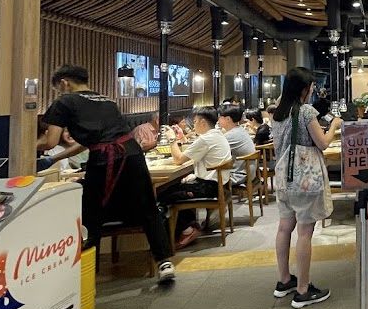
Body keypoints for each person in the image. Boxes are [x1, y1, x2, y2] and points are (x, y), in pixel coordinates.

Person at [39, 65, 176, 283]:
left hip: (104, 160)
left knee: (91, 213)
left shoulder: (64, 102)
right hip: (132, 154)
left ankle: (85, 273)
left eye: (58, 88)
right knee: (148, 207)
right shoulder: (108, 101)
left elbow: (50, 141)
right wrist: (55, 159)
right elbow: (90, 142)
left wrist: (29, 147)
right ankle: (164, 263)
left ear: (64, 83)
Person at [270, 67, 342, 308]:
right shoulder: (306, 111)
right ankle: (302, 289)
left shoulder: (278, 111)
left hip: (282, 178)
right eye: (311, 86)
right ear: (304, 89)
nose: (313, 90)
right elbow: (322, 143)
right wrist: (335, 125)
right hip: (304, 179)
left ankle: (284, 281)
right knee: (304, 233)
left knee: (284, 228)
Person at [159, 106, 232, 248]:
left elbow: (178, 159)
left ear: (203, 122)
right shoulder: (217, 135)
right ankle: (189, 226)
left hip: (209, 187)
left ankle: (186, 230)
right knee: (177, 187)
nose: (194, 124)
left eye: (195, 121)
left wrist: (172, 139)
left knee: (164, 194)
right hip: (218, 184)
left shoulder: (205, 139)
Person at [218, 103, 256, 186]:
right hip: (248, 172)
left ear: (228, 119)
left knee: (205, 178)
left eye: (220, 117)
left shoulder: (231, 135)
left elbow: (213, 151)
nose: (218, 119)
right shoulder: (239, 130)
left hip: (239, 175)